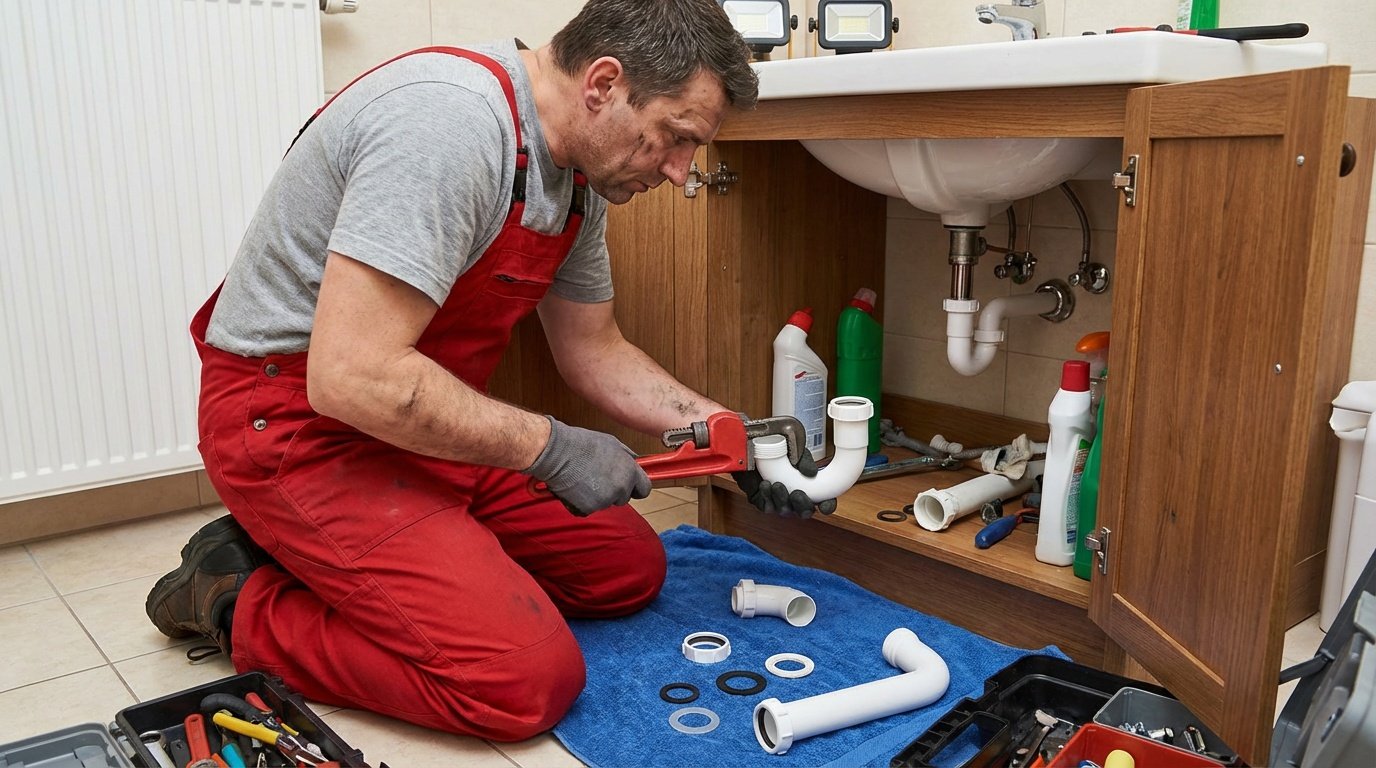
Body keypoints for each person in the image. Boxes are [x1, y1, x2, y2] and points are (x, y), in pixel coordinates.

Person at [146, 0, 834, 740]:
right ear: (603, 83)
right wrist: (551, 447)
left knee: (625, 568)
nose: (678, 170)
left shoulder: (575, 179)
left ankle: (366, 553)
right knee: (520, 683)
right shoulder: (449, 126)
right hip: (294, 429)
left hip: (419, 424)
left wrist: (733, 433)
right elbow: (351, 377)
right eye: (674, 138)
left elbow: (595, 353)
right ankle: (232, 593)